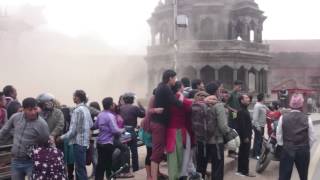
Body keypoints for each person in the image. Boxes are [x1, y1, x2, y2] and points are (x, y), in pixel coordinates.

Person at [0, 97, 50, 180]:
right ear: (23, 109)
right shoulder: (15, 117)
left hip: (32, 162)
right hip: (15, 161)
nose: (33, 112)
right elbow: (4, 131)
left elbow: (44, 141)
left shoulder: (42, 124)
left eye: (35, 109)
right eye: (30, 110)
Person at [151, 69, 184, 180]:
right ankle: (153, 178)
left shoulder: (161, 86)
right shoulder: (165, 88)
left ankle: (155, 176)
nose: (175, 80)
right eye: (174, 78)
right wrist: (182, 98)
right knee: (156, 154)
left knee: (158, 152)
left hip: (159, 123)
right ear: (170, 78)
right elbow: (176, 103)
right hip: (159, 124)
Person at [196, 82, 231, 180]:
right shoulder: (218, 105)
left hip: (202, 141)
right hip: (216, 141)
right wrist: (230, 134)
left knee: (201, 167)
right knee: (217, 168)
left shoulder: (200, 103)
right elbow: (223, 126)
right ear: (216, 91)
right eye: (220, 90)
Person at [277, 93, 316, 180]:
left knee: (284, 176)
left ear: (290, 105)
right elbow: (312, 137)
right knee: (303, 175)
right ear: (301, 105)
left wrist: (284, 144)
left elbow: (279, 135)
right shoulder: (307, 118)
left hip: (287, 149)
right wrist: (306, 147)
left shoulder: (283, 118)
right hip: (303, 150)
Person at [58, 90, 93, 180]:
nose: (73, 98)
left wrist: (61, 138)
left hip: (78, 143)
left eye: (74, 96)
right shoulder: (86, 109)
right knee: (81, 168)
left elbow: (72, 131)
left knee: (79, 170)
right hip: (85, 143)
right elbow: (91, 124)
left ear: (77, 97)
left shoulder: (77, 110)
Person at [92, 97, 123, 180]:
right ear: (110, 106)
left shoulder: (100, 114)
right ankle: (110, 178)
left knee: (100, 164)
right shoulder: (110, 116)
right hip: (108, 144)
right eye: (113, 103)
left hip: (99, 143)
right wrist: (123, 130)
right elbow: (115, 130)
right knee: (109, 164)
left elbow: (95, 126)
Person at [119, 92, 145, 172]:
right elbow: (143, 114)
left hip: (123, 131)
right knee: (134, 152)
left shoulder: (120, 108)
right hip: (131, 130)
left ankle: (125, 170)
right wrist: (140, 105)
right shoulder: (134, 108)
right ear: (132, 100)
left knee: (125, 151)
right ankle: (135, 169)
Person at [236, 94, 255, 177]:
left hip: (246, 135)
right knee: (245, 154)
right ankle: (245, 171)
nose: (248, 99)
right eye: (246, 98)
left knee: (242, 153)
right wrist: (245, 137)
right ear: (242, 101)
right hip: (245, 137)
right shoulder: (241, 111)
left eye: (248, 98)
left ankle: (240, 170)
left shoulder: (244, 110)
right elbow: (242, 125)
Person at [225, 80, 243, 157]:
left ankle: (234, 151)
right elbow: (226, 105)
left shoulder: (238, 95)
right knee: (232, 134)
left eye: (240, 86)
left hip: (236, 116)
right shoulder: (231, 94)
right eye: (239, 86)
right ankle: (230, 152)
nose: (240, 88)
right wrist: (233, 110)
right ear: (235, 86)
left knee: (236, 134)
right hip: (232, 116)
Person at [252, 93, 268, 159]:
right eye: (264, 97)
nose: (265, 99)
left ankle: (256, 153)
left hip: (262, 125)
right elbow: (255, 118)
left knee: (259, 140)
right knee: (258, 140)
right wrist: (258, 127)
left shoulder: (262, 105)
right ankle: (256, 154)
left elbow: (268, 110)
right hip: (258, 126)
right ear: (262, 98)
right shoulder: (257, 106)